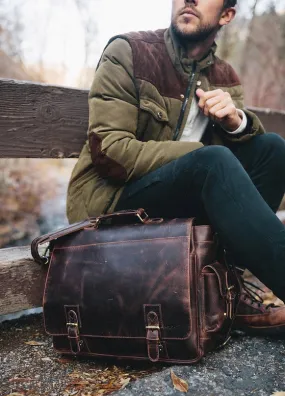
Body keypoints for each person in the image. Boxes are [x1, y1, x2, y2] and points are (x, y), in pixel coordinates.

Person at [66, 0, 285, 335]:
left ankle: (224, 286)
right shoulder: (130, 52)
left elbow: (238, 170)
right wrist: (194, 153)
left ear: (226, 15)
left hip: (179, 194)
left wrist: (235, 122)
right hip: (112, 199)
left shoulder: (225, 76)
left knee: (273, 149)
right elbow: (111, 152)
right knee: (211, 161)